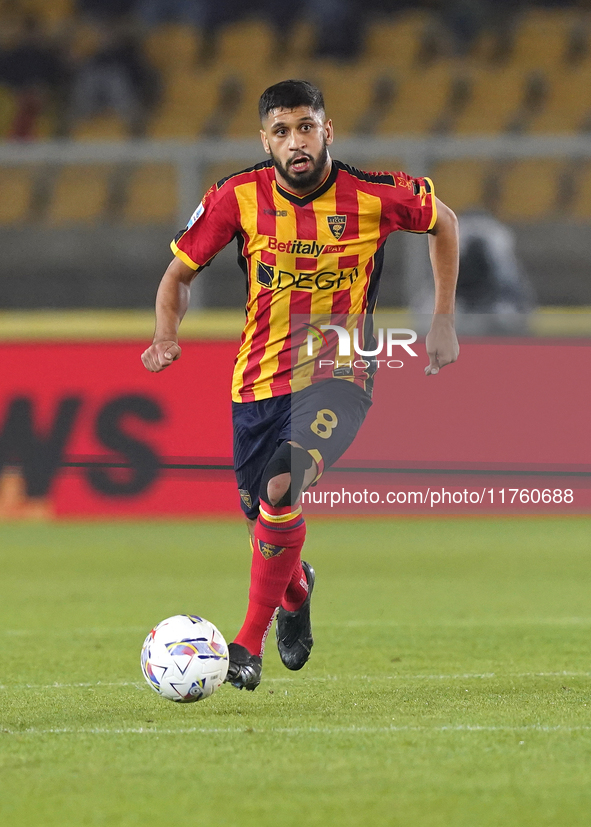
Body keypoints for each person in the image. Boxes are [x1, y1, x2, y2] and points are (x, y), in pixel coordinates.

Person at [141, 79, 459, 691]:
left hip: (340, 375)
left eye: (306, 127)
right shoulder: (235, 198)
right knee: (265, 521)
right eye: (282, 132)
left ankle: (245, 645)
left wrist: (442, 318)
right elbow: (177, 276)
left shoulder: (374, 194)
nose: (296, 142)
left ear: (327, 130)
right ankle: (296, 591)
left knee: (284, 484)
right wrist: (165, 334)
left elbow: (443, 222)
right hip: (256, 383)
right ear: (266, 140)